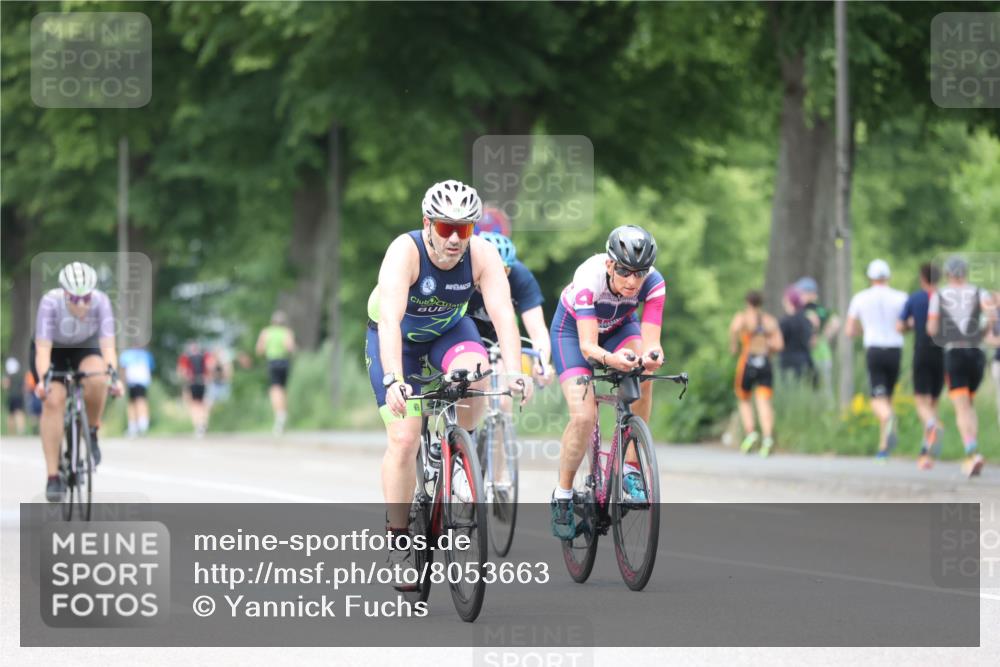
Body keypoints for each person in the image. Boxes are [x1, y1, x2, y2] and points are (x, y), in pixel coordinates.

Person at [365, 179, 530, 582]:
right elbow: (390, 321)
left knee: (478, 373)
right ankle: (399, 539)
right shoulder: (405, 252)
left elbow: (503, 315)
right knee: (404, 439)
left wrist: (514, 371)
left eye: (464, 228)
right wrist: (394, 379)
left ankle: (461, 456)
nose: (455, 238)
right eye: (445, 228)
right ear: (427, 224)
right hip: (400, 341)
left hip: (448, 333)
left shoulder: (482, 254)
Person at [549, 225, 665, 539]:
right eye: (625, 271)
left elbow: (652, 343)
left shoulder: (654, 283)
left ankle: (630, 468)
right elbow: (588, 347)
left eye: (640, 273)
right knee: (584, 416)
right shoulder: (589, 278)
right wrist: (612, 360)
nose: (632, 282)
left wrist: (652, 356)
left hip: (618, 327)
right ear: (610, 264)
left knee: (644, 373)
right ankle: (563, 495)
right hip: (573, 333)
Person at [31, 262, 124, 502]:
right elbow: (43, 351)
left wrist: (113, 376)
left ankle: (91, 431)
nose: (81, 304)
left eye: (86, 298)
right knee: (54, 400)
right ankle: (53, 476)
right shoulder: (50, 303)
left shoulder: (101, 302)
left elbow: (108, 347)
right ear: (64, 293)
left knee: (98, 377)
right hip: (53, 350)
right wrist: (43, 380)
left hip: (85, 346)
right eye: (74, 298)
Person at [927, 256, 998, 478]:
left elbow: (931, 328)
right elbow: (992, 320)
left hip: (954, 352)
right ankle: (974, 450)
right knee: (969, 404)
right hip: (976, 353)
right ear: (965, 272)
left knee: (961, 407)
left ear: (948, 274)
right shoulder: (980, 293)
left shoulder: (939, 295)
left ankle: (971, 452)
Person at [468, 231, 553, 385]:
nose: (495, 276)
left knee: (508, 385)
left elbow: (538, 330)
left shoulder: (521, 277)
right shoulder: (465, 275)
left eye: (503, 270)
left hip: (500, 337)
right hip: (468, 334)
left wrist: (541, 363)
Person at [845, 259, 908, 462]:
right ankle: (884, 448)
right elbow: (907, 324)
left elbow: (849, 330)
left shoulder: (860, 298)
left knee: (876, 399)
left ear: (870, 277)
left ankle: (889, 419)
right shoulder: (901, 297)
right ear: (888, 276)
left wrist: (863, 329)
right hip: (895, 349)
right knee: (887, 398)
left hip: (874, 349)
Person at [897, 263, 945, 469]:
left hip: (922, 351)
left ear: (922, 278)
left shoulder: (915, 298)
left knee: (920, 402)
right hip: (942, 354)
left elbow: (899, 326)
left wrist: (911, 324)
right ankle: (926, 453)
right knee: (933, 403)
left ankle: (933, 425)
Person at [729, 290, 784, 457]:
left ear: (747, 302)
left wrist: (734, 346)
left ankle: (751, 432)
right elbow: (779, 345)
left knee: (744, 399)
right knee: (764, 401)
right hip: (765, 362)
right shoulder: (769, 321)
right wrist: (767, 346)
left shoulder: (742, 318)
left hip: (747, 362)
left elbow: (734, 329)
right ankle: (767, 438)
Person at [795, 277, 841, 398]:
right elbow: (836, 322)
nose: (799, 296)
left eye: (801, 293)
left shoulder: (806, 310)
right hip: (824, 354)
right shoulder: (821, 309)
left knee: (811, 391)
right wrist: (825, 337)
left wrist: (814, 336)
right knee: (825, 390)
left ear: (809, 294)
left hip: (811, 356)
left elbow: (815, 323)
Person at [256, 312, 295, 435]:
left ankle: (279, 416)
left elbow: (259, 350)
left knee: (275, 390)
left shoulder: (266, 332)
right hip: (284, 362)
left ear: (272, 321)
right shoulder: (287, 332)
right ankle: (283, 415)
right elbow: (290, 348)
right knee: (283, 389)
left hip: (273, 362)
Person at [778, 286, 815, 384]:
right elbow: (810, 342)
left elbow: (779, 343)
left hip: (787, 363)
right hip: (804, 361)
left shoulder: (785, 322)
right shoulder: (806, 320)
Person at [177, 341, 214, 438]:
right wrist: (208, 378)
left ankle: (198, 425)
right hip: (203, 382)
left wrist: (186, 379)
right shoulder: (205, 355)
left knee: (194, 405)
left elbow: (182, 371)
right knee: (203, 404)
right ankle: (203, 423)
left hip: (192, 383)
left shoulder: (185, 357)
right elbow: (210, 366)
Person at [119, 347, 155, 437]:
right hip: (135, 382)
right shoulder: (145, 354)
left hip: (138, 382)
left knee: (138, 402)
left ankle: (140, 425)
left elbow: (123, 369)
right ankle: (137, 426)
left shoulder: (129, 354)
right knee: (136, 402)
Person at [4, 357, 27, 435]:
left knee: (10, 414)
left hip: (11, 396)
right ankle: (21, 429)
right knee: (19, 412)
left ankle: (11, 432)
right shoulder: (20, 375)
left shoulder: (9, 376)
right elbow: (24, 386)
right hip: (19, 396)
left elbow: (6, 386)